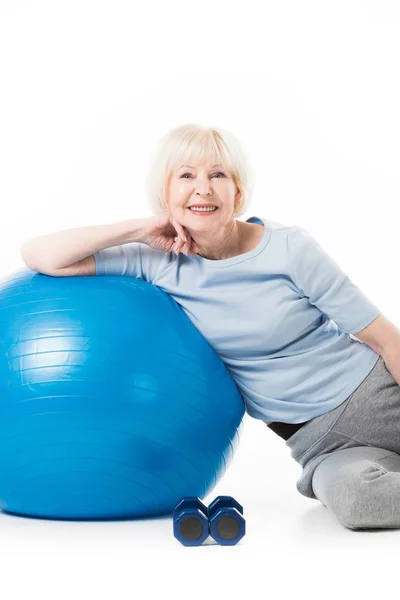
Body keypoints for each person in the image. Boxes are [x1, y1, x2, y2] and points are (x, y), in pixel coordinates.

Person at [20, 123, 400, 530]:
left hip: (379, 397)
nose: (203, 188)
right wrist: (137, 229)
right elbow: (41, 255)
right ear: (166, 192)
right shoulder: (154, 261)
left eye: (218, 174)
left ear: (237, 190)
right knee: (358, 502)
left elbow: (384, 338)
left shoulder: (289, 249)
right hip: (322, 447)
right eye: (186, 175)